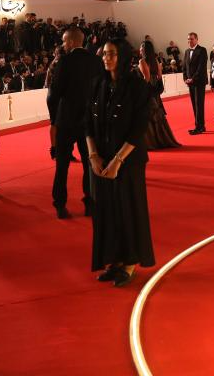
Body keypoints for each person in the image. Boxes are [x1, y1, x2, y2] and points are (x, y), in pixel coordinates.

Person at [86, 39, 154, 287]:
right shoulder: (97, 84)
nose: (106, 58)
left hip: (128, 161)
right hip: (100, 161)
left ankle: (129, 262)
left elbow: (138, 129)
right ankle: (113, 260)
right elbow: (87, 124)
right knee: (105, 212)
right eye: (104, 53)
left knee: (127, 210)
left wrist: (117, 161)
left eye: (112, 54)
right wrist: (93, 156)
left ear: (122, 56)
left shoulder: (137, 86)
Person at [47, 27, 103, 219]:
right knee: (90, 163)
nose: (63, 45)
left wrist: (54, 117)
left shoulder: (64, 61)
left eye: (64, 41)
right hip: (89, 121)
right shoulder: (96, 61)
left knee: (62, 165)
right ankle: (91, 202)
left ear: (70, 42)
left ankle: (60, 204)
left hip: (66, 120)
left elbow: (54, 93)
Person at [138, 40, 180, 150]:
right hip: (155, 90)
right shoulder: (155, 61)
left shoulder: (142, 61)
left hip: (148, 91)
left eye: (141, 47)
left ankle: (151, 143)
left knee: (148, 116)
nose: (139, 49)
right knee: (157, 116)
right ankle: (162, 140)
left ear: (144, 49)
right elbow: (159, 77)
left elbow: (146, 79)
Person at [182, 32, 208, 135]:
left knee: (199, 105)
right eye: (188, 39)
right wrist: (185, 78)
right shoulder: (187, 51)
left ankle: (200, 127)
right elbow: (185, 67)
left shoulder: (202, 50)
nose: (189, 41)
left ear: (197, 39)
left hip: (199, 82)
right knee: (194, 104)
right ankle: (199, 126)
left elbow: (201, 67)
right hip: (190, 83)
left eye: (192, 39)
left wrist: (193, 78)